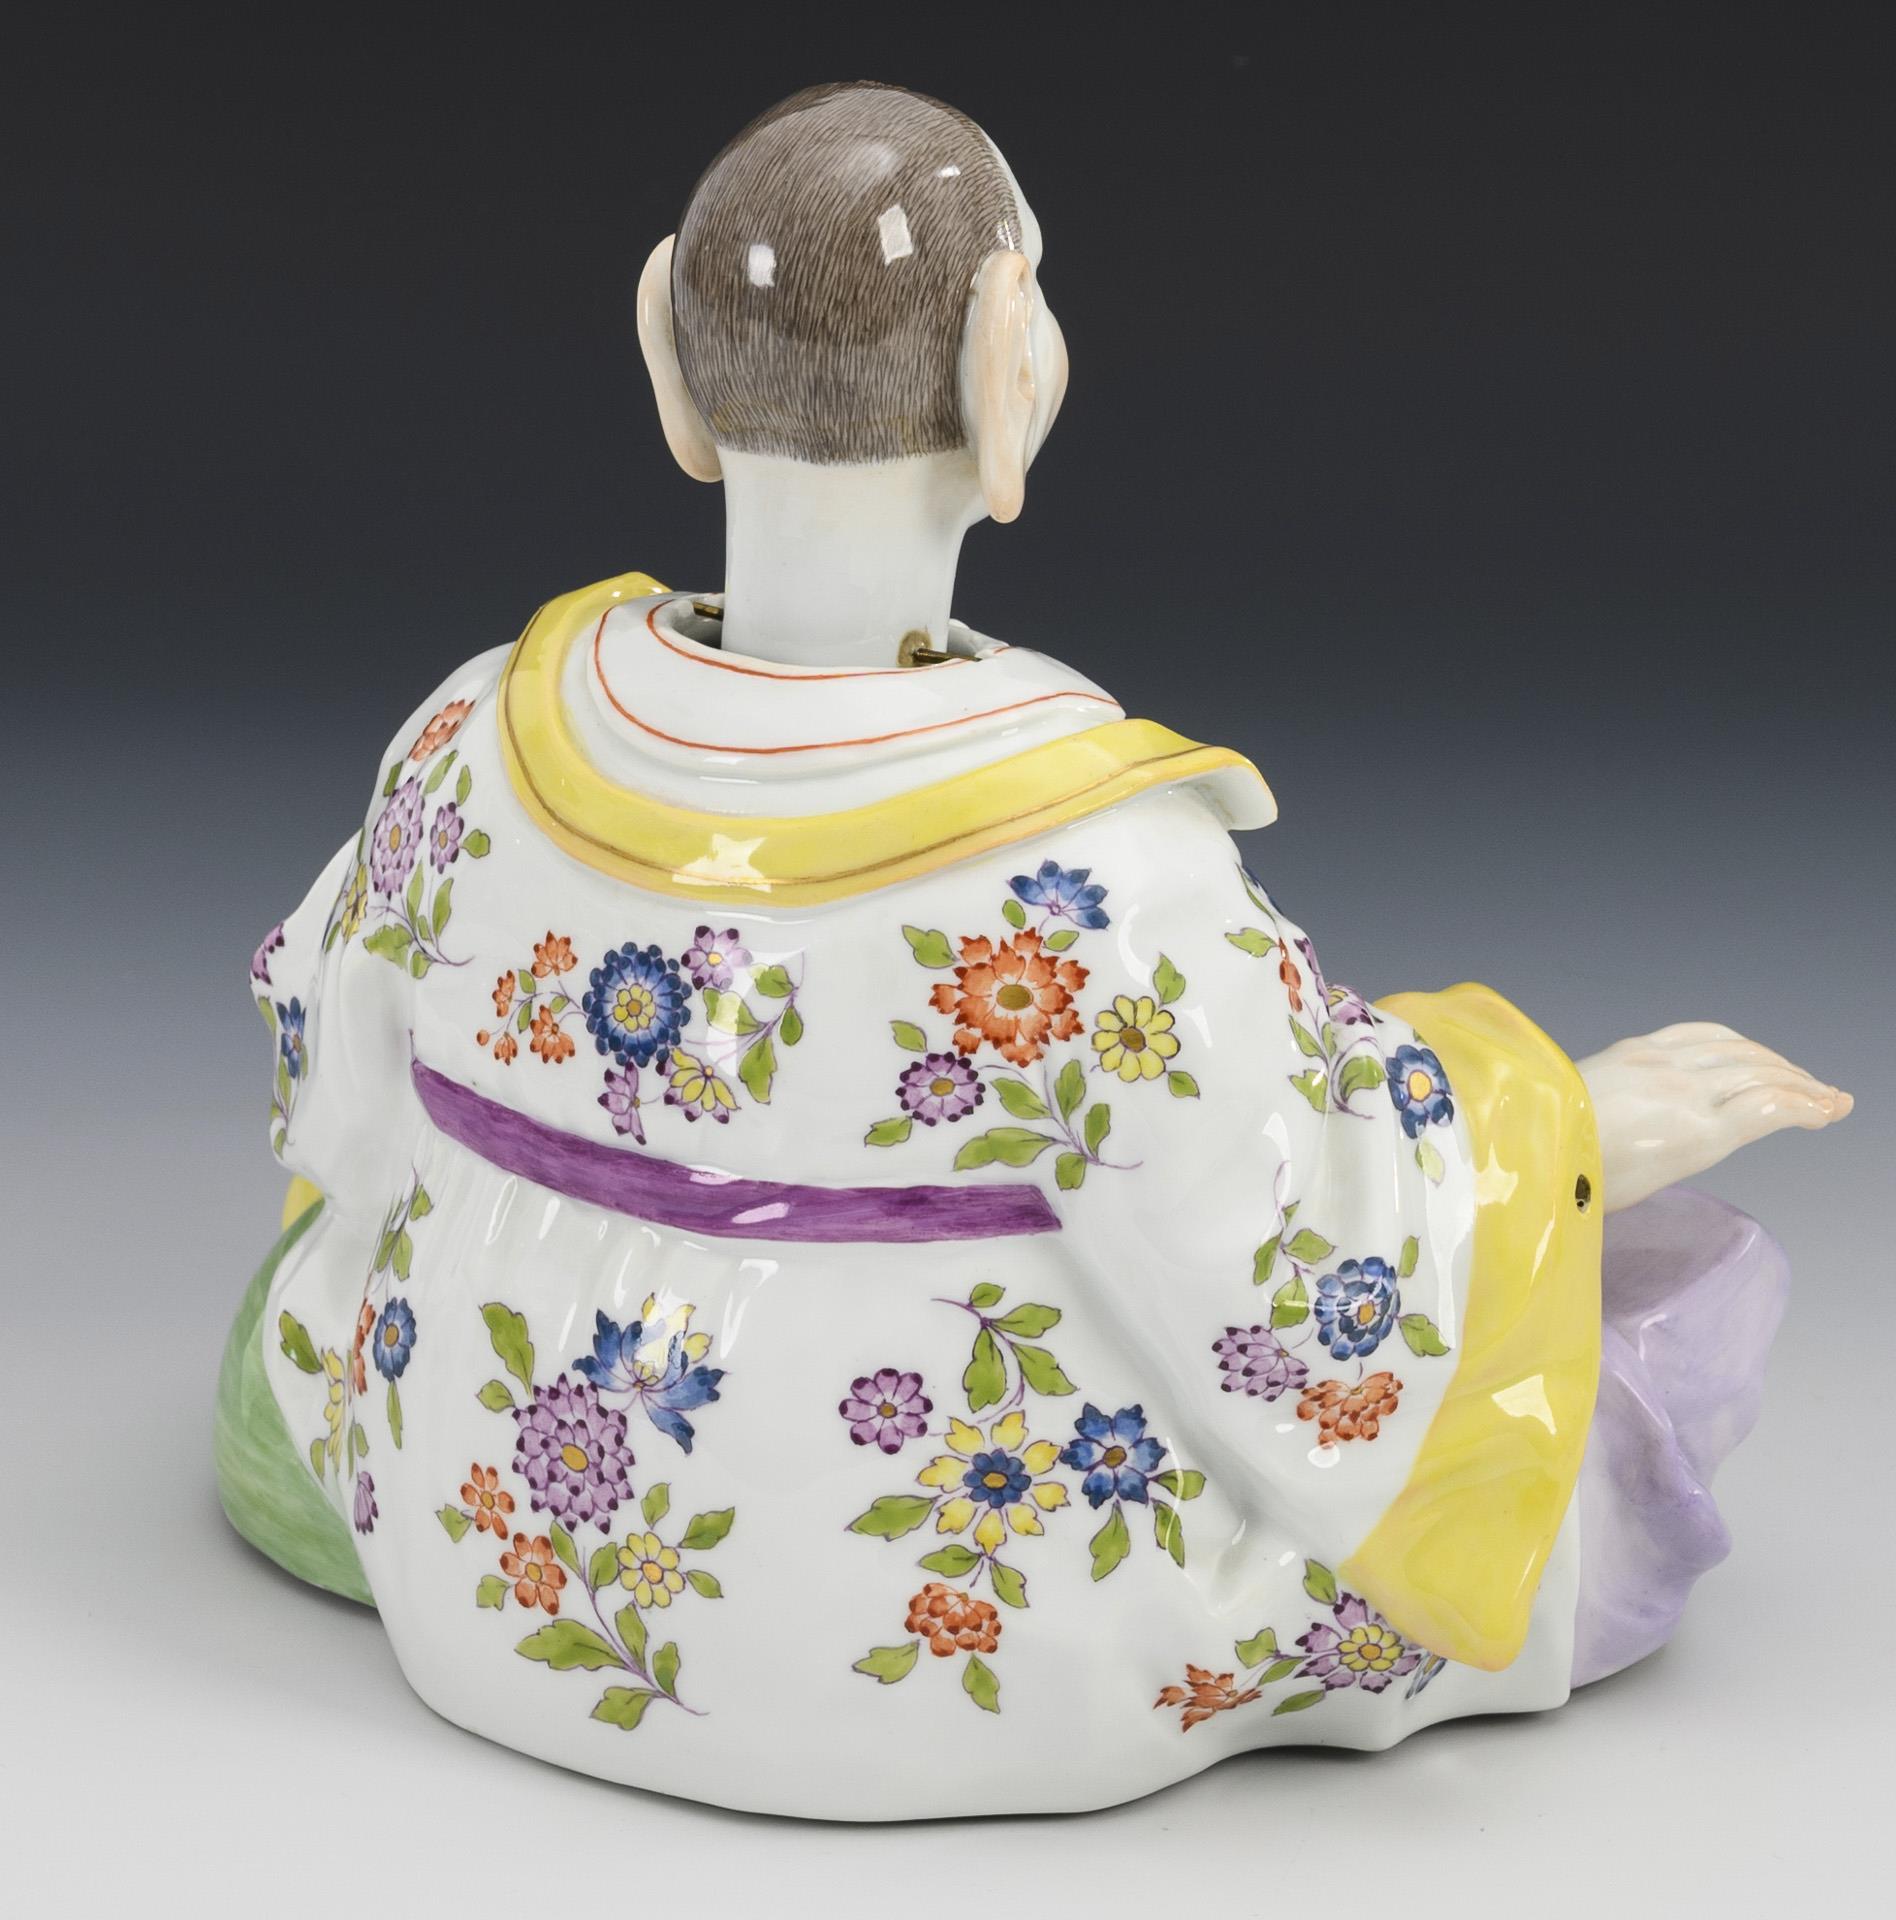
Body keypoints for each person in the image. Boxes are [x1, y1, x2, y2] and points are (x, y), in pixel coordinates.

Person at [220, 82, 1851, 1819]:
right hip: (922, 1639)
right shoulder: (1083, 880)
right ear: (1014, 373)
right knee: (1621, 1375)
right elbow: (1298, 1271)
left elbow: (335, 1114)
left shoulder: (481, 732)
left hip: (484, 1540)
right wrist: (1555, 1128)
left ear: (667, 365)